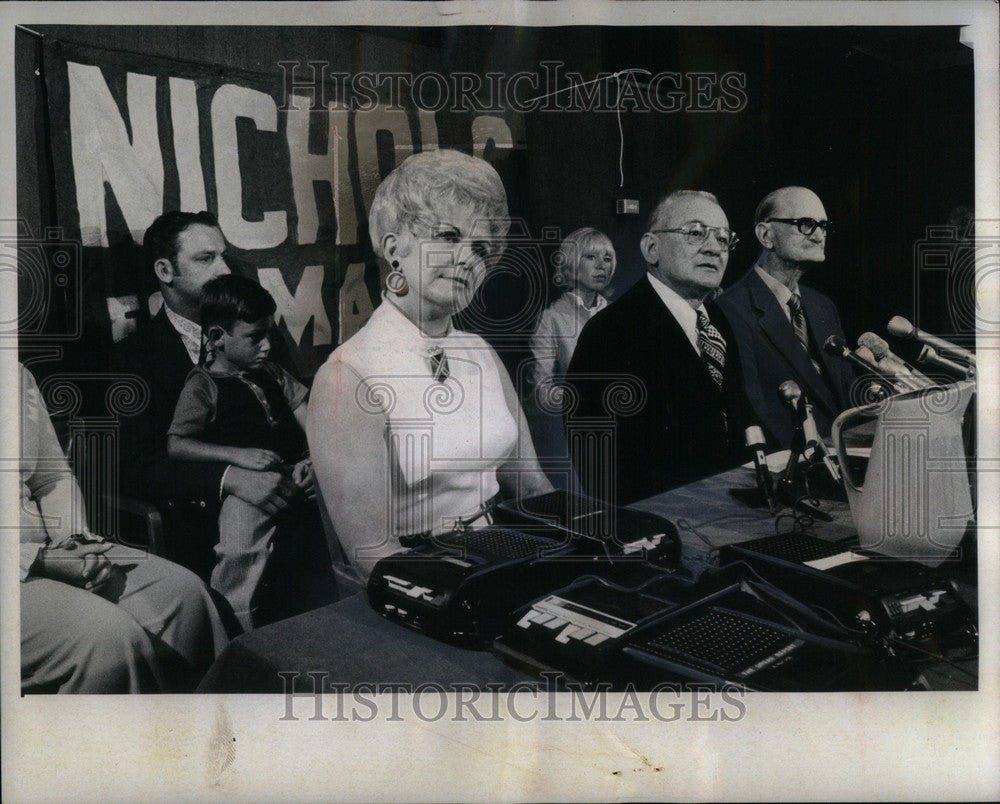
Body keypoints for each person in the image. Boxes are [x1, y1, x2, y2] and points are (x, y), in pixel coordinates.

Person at [308, 149, 552, 580]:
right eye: (447, 236)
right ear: (393, 247)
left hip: (505, 551)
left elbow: (532, 487)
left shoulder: (480, 351)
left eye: (481, 249)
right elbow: (371, 554)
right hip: (420, 577)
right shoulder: (348, 373)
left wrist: (585, 543)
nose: (467, 259)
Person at [18, 363, 229, 693]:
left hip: (51, 550)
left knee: (187, 596)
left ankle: (200, 736)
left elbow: (50, 477)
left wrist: (72, 538)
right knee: (109, 639)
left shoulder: (14, 373)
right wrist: (40, 560)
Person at [111, 212, 300, 579]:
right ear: (165, 271)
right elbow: (133, 464)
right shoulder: (131, 359)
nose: (223, 269)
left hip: (290, 492)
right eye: (205, 258)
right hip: (202, 526)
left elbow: (286, 408)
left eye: (223, 255)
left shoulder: (256, 329)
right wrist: (228, 477)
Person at [565, 190, 745, 504]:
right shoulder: (609, 332)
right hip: (668, 520)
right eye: (695, 233)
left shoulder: (718, 320)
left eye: (723, 238)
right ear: (651, 248)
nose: (715, 249)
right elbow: (601, 467)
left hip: (735, 504)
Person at [167, 275, 318, 631]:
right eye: (254, 337)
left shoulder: (274, 374)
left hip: (296, 472)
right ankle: (237, 633)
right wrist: (237, 456)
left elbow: (313, 422)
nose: (267, 345)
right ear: (217, 338)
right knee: (239, 552)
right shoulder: (202, 385)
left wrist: (314, 461)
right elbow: (178, 444)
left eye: (269, 334)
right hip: (248, 487)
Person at [715, 186, 855, 448]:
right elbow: (755, 414)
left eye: (823, 226)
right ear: (766, 235)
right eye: (806, 224)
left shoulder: (823, 306)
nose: (819, 236)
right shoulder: (730, 309)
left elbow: (847, 397)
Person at [527, 227, 616, 489]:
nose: (602, 266)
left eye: (607, 258)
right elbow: (541, 393)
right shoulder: (551, 319)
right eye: (591, 257)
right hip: (570, 437)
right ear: (572, 264)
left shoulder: (617, 316)